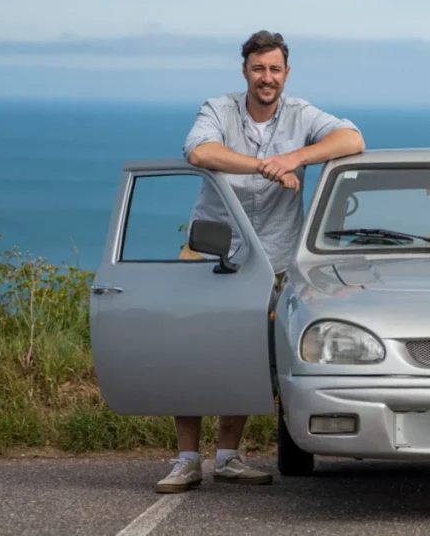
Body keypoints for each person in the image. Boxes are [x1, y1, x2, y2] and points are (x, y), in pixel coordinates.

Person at [155, 30, 365, 494]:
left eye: (274, 69)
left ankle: (228, 456)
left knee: (251, 355)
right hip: (211, 249)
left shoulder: (302, 114)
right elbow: (198, 151)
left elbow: (352, 139)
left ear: (285, 73)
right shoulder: (218, 108)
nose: (266, 78)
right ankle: (186, 459)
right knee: (188, 354)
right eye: (257, 69)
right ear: (244, 71)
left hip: (272, 257)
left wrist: (293, 157)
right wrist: (263, 166)